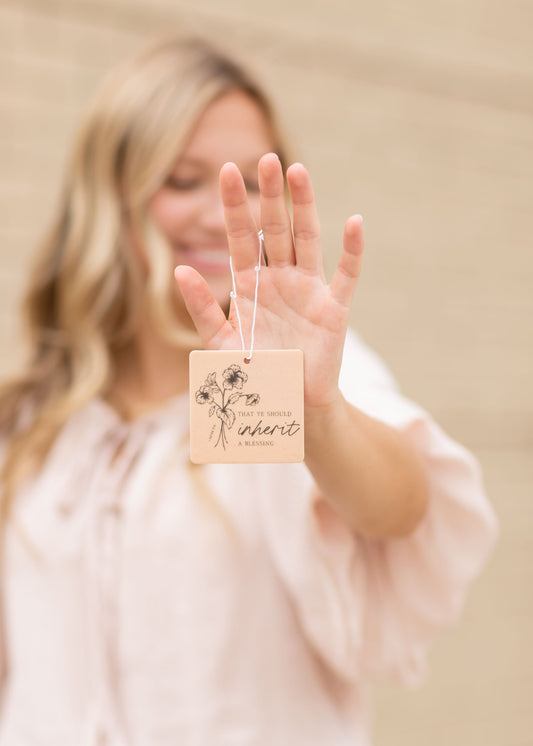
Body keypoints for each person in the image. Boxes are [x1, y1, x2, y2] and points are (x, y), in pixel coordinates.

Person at [0, 36, 497, 746]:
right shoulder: (44, 412)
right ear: (110, 197)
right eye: (182, 180)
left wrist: (313, 415)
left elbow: (396, 508)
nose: (218, 211)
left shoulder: (251, 383)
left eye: (250, 183)